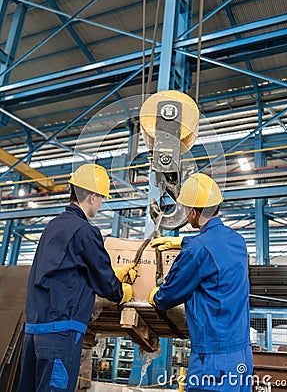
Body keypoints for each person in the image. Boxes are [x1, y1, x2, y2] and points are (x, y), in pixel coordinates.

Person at [18, 163, 136, 392]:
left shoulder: (53, 226)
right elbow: (104, 280)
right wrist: (122, 291)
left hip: (34, 332)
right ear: (92, 197)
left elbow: (69, 270)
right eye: (101, 197)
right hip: (60, 333)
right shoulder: (85, 231)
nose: (101, 203)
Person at [149, 173, 252, 392]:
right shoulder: (238, 241)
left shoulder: (197, 251)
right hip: (242, 355)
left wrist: (156, 296)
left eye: (187, 210)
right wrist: (182, 241)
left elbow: (170, 295)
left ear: (194, 212)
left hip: (213, 362)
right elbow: (215, 247)